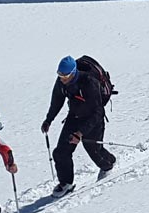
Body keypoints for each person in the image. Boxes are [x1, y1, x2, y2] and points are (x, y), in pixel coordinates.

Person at [41, 55, 114, 193]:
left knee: (93, 150)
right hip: (74, 116)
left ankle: (108, 164)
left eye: (65, 75)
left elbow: (98, 112)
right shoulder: (61, 82)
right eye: (59, 74)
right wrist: (48, 120)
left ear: (73, 73)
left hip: (92, 120)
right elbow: (57, 101)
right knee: (60, 152)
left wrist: (80, 133)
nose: (62, 78)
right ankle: (66, 183)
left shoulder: (89, 82)